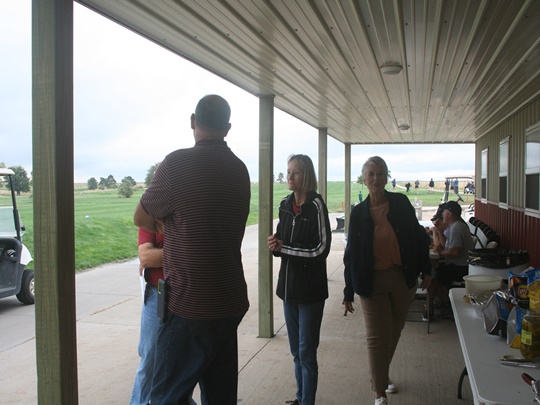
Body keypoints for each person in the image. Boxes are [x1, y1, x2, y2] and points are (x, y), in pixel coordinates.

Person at [134, 94, 251, 404]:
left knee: (166, 396)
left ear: (192, 121)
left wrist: (166, 224)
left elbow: (140, 217)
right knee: (220, 395)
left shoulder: (175, 164)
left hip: (189, 304)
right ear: (227, 128)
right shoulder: (240, 170)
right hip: (229, 302)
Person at [343, 156, 431, 405]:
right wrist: (348, 291)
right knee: (377, 337)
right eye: (371, 174)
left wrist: (426, 269)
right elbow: (351, 255)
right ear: (364, 179)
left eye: (380, 173)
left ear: (386, 177)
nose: (376, 178)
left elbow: (418, 237)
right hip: (371, 282)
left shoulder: (400, 203)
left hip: (401, 278)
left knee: (393, 332)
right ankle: (379, 393)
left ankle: (381, 375)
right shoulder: (358, 213)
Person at [268, 154, 331, 405]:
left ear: (306, 176)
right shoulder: (284, 204)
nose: (289, 176)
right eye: (288, 171)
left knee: (307, 352)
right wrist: (275, 245)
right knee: (296, 351)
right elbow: (281, 241)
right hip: (288, 289)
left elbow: (321, 249)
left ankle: (307, 401)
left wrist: (285, 248)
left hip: (311, 292)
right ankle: (300, 397)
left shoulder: (316, 205)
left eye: (295, 172)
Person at [129, 229, 196, 405]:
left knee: (184, 357)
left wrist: (162, 255)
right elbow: (146, 257)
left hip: (189, 293)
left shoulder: (190, 215)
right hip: (158, 293)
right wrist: (186, 252)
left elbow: (205, 252)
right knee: (150, 355)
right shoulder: (151, 215)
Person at [426, 201, 474, 319]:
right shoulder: (456, 226)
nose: (442, 213)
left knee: (433, 276)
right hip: (460, 265)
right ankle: (445, 303)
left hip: (462, 268)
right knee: (434, 269)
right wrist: (440, 231)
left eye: (444, 211)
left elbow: (455, 252)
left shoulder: (457, 227)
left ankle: (433, 307)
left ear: (450, 213)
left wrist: (440, 252)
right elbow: (446, 246)